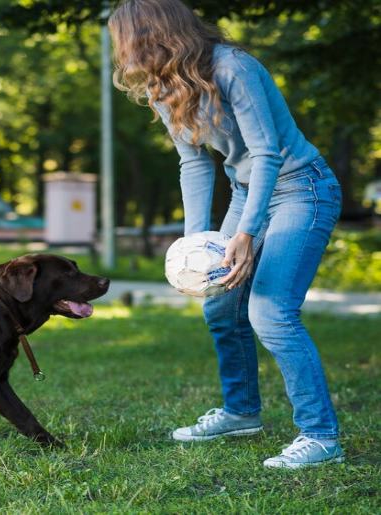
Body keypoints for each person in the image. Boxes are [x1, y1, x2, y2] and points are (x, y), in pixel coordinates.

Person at [108, 0, 344, 469]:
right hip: (246, 189)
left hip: (301, 187)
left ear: (154, 33)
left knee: (270, 311)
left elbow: (267, 155)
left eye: (127, 39)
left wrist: (247, 233)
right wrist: (196, 246)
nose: (125, 52)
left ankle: (320, 437)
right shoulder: (164, 87)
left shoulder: (233, 68)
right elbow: (193, 163)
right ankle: (241, 412)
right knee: (220, 301)